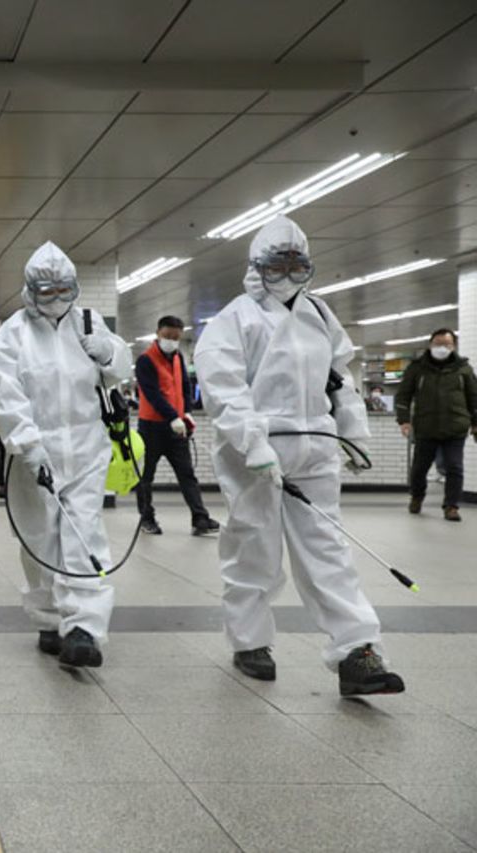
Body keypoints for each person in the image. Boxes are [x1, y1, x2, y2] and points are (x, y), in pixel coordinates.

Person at [194, 215, 404, 695]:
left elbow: (339, 379)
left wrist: (354, 433)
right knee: (255, 549)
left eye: (297, 264)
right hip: (255, 457)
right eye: (277, 264)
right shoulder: (234, 320)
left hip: (315, 450)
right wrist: (254, 442)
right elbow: (224, 389)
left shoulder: (321, 315)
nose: (287, 274)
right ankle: (249, 641)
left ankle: (357, 650)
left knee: (328, 551)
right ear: (256, 267)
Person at [0, 241, 132, 668]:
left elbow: (120, 368)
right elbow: (6, 397)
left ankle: (84, 626)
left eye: (63, 290)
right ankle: (49, 619)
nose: (56, 300)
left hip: (86, 446)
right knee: (39, 538)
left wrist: (108, 352)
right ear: (30, 291)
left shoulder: (88, 323)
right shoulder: (11, 336)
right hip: (36, 452)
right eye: (46, 292)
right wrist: (29, 446)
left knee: (84, 532)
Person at [133, 316, 220, 536]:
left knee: (187, 474)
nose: (172, 340)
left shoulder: (178, 358)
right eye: (167, 336)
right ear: (158, 333)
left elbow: (184, 388)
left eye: (176, 337)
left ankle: (200, 518)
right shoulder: (146, 360)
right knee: (145, 477)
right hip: (151, 428)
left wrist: (187, 413)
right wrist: (172, 416)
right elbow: (152, 394)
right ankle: (147, 519)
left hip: (177, 429)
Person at [396, 328, 477, 522]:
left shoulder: (463, 369)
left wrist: (475, 424)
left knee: (454, 468)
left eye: (446, 344)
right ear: (430, 345)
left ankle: (451, 506)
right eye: (438, 344)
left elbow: (474, 398)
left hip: (455, 427)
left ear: (454, 346)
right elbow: (403, 395)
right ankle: (417, 496)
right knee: (419, 469)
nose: (442, 348)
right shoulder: (417, 368)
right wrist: (404, 420)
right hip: (425, 427)